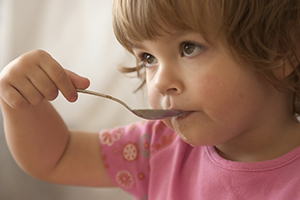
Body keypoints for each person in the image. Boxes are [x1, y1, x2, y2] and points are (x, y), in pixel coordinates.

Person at [1, 0, 300, 199]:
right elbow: (58, 156)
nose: (159, 82)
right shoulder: (157, 148)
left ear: (281, 52)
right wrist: (22, 104)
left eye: (189, 48)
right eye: (148, 58)